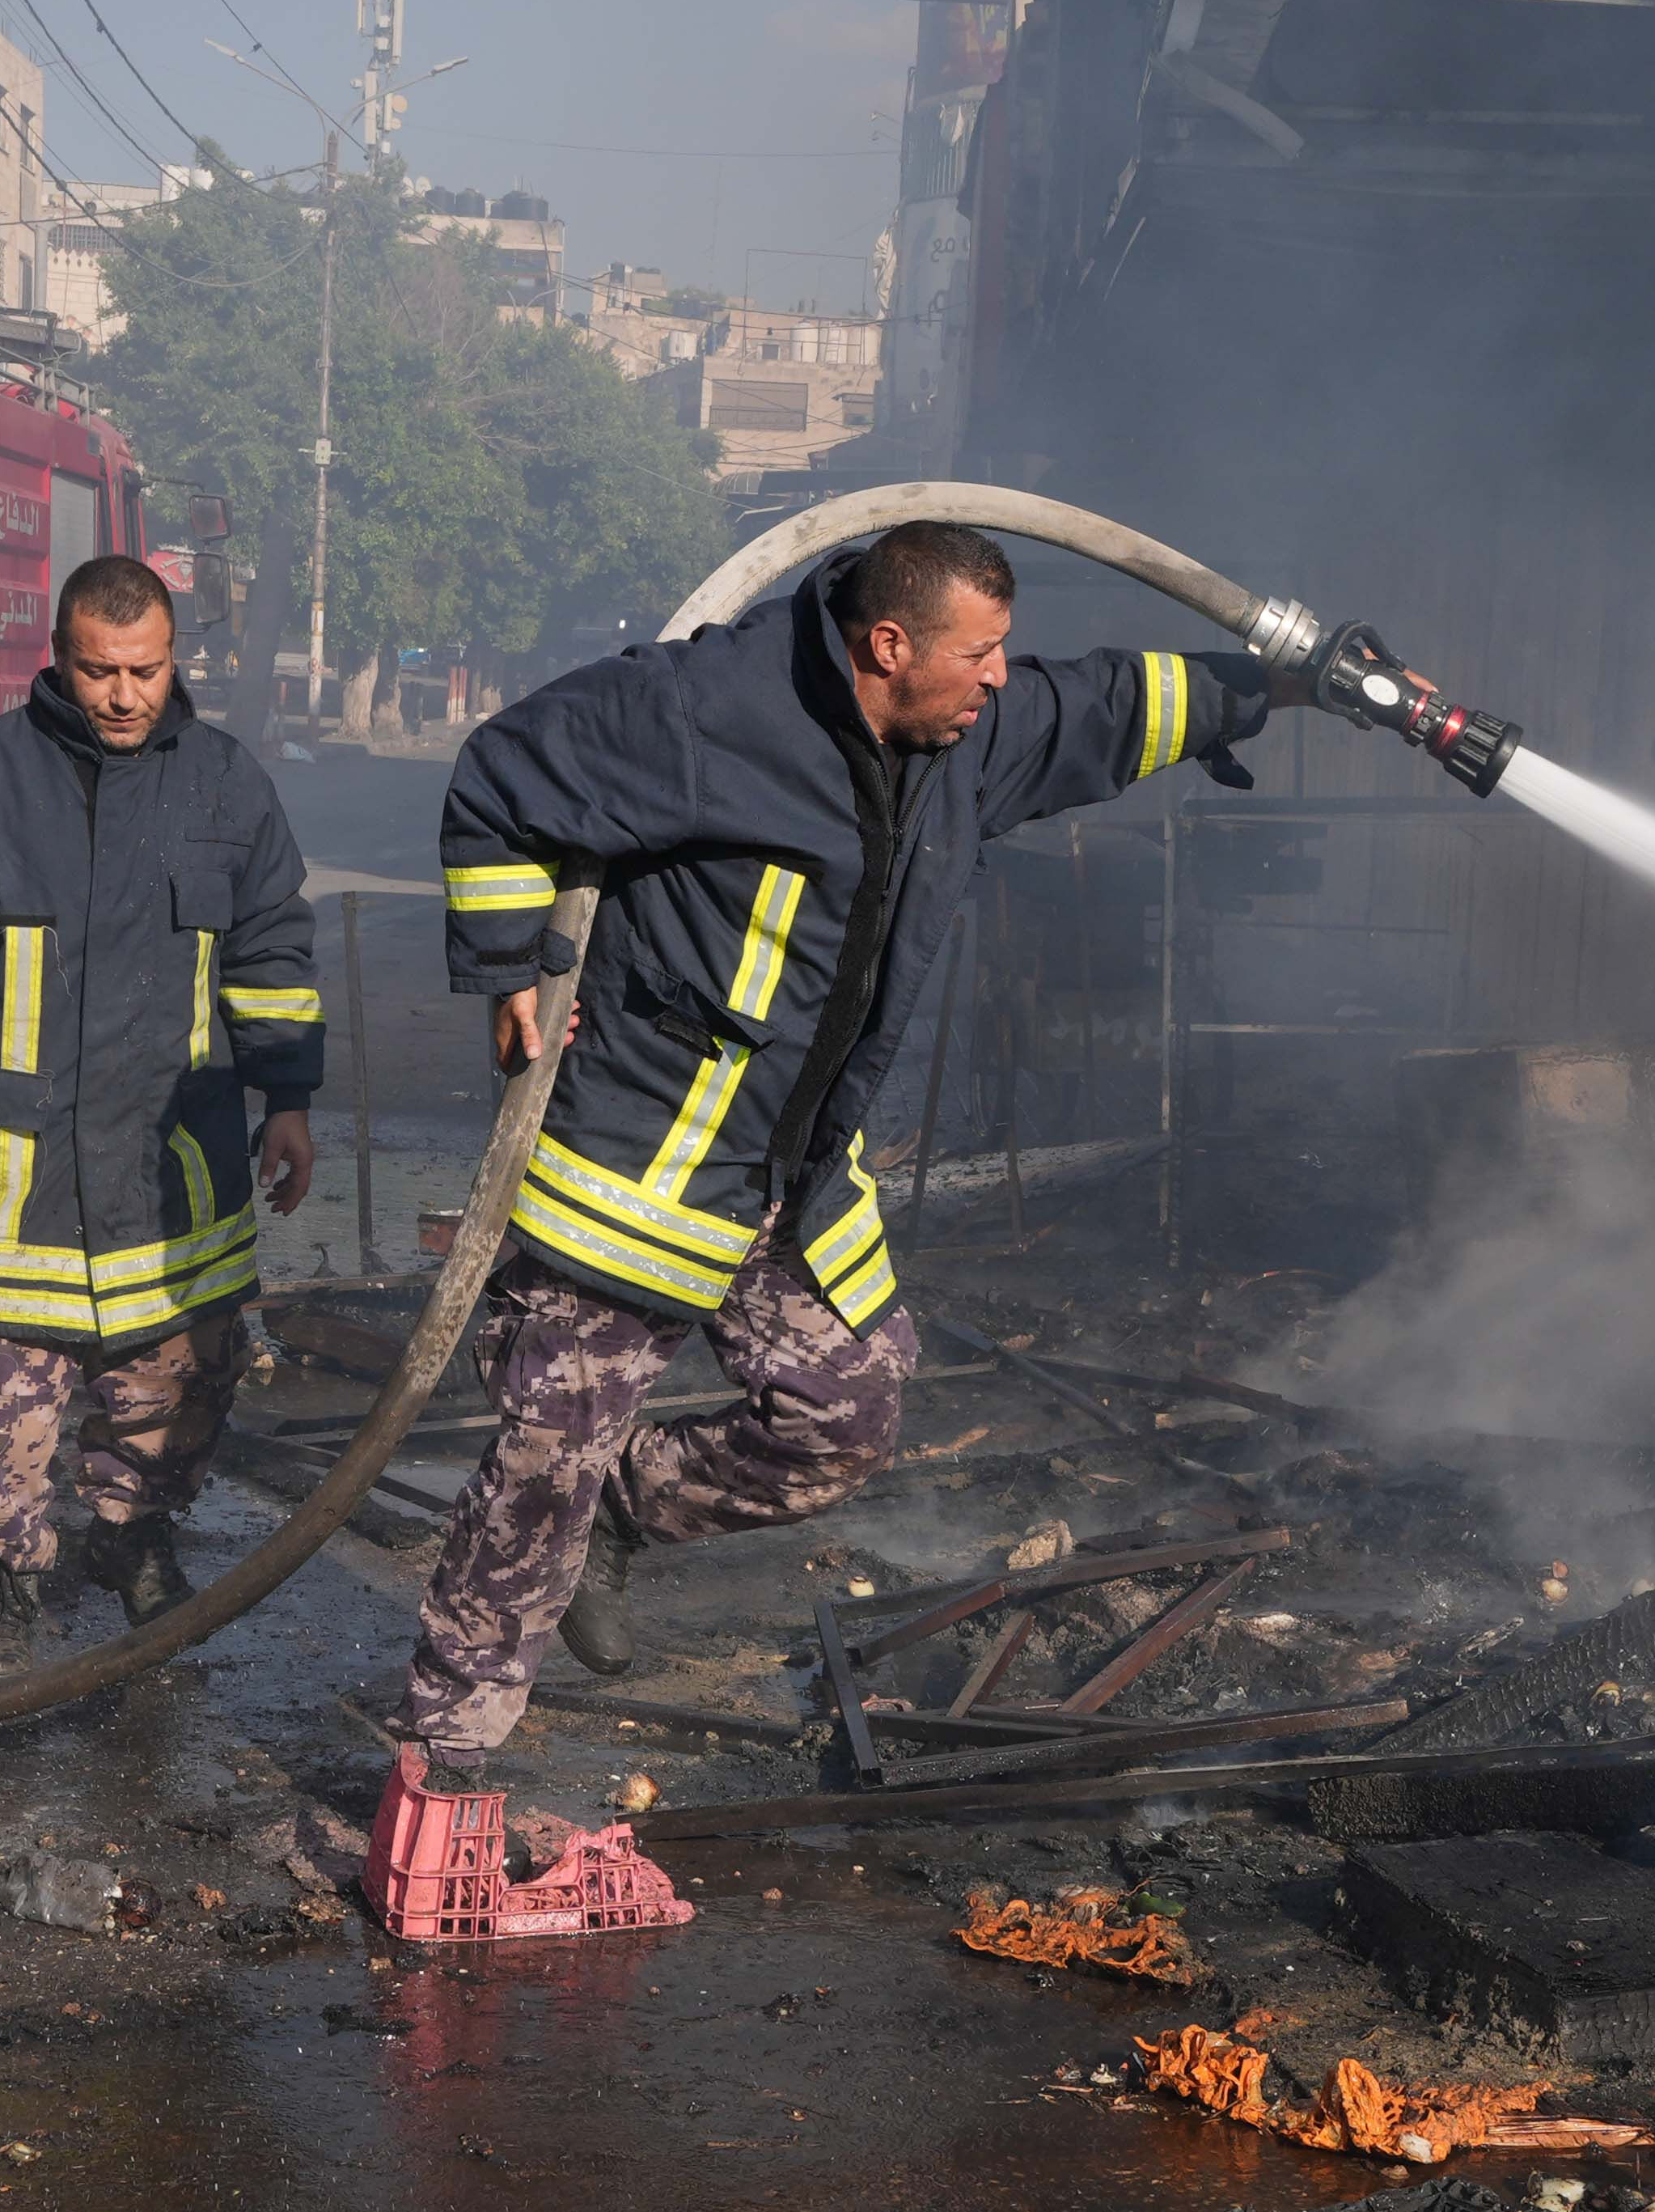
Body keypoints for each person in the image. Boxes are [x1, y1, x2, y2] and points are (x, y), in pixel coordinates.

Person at [401, 520, 1317, 1823]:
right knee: (546, 1458)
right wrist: (507, 972)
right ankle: (442, 1765)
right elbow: (504, 773)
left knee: (847, 1416)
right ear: (891, 646)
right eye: (979, 653)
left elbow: (1111, 708)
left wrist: (1290, 683)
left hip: (792, 1174)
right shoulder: (706, 710)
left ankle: (627, 1513)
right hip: (648, 1157)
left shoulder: (963, 735)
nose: (1002, 675)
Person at [0, 557, 321, 1682]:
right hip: (14, 1175)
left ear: (173, 660)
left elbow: (272, 956)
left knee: (180, 1387)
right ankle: (5, 1587)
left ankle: (132, 1542)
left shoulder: (225, 788)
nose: (123, 696)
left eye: (145, 672)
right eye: (99, 672)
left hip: (172, 1171)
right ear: (58, 658)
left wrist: (289, 1100)